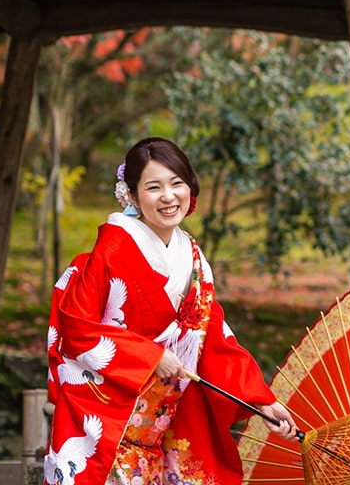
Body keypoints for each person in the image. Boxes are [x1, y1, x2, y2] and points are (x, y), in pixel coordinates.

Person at [44, 137, 298, 485]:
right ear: (131, 195)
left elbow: (213, 339)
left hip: (167, 420)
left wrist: (261, 401)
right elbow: (77, 328)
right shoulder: (112, 251)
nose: (168, 196)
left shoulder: (191, 256)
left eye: (177, 183)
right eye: (153, 187)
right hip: (110, 421)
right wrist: (150, 356)